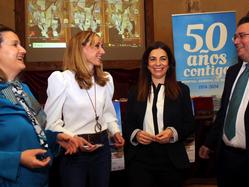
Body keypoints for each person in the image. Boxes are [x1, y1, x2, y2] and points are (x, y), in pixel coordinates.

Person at [44, 30, 125, 187]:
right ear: (80, 49)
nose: (102, 51)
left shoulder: (106, 79)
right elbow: (51, 123)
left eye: (102, 46)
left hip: (102, 149)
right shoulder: (61, 80)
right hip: (74, 151)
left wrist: (115, 131)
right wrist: (72, 137)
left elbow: (107, 113)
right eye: (97, 46)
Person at [0, 24, 78, 187]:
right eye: (15, 45)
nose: (23, 50)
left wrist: (55, 137)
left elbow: (35, 129)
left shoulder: (23, 89)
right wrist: (17, 159)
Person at [199, 16, 249, 186]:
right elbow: (225, 111)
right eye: (235, 37)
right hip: (226, 159)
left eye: (242, 36)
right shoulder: (232, 71)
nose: (236, 41)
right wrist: (209, 143)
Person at [123, 41, 195, 187]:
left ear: (169, 64)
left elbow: (190, 124)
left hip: (171, 160)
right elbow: (127, 124)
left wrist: (172, 132)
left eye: (163, 58)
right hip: (140, 160)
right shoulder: (134, 91)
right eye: (152, 59)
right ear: (146, 64)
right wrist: (136, 134)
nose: (158, 63)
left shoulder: (182, 90)